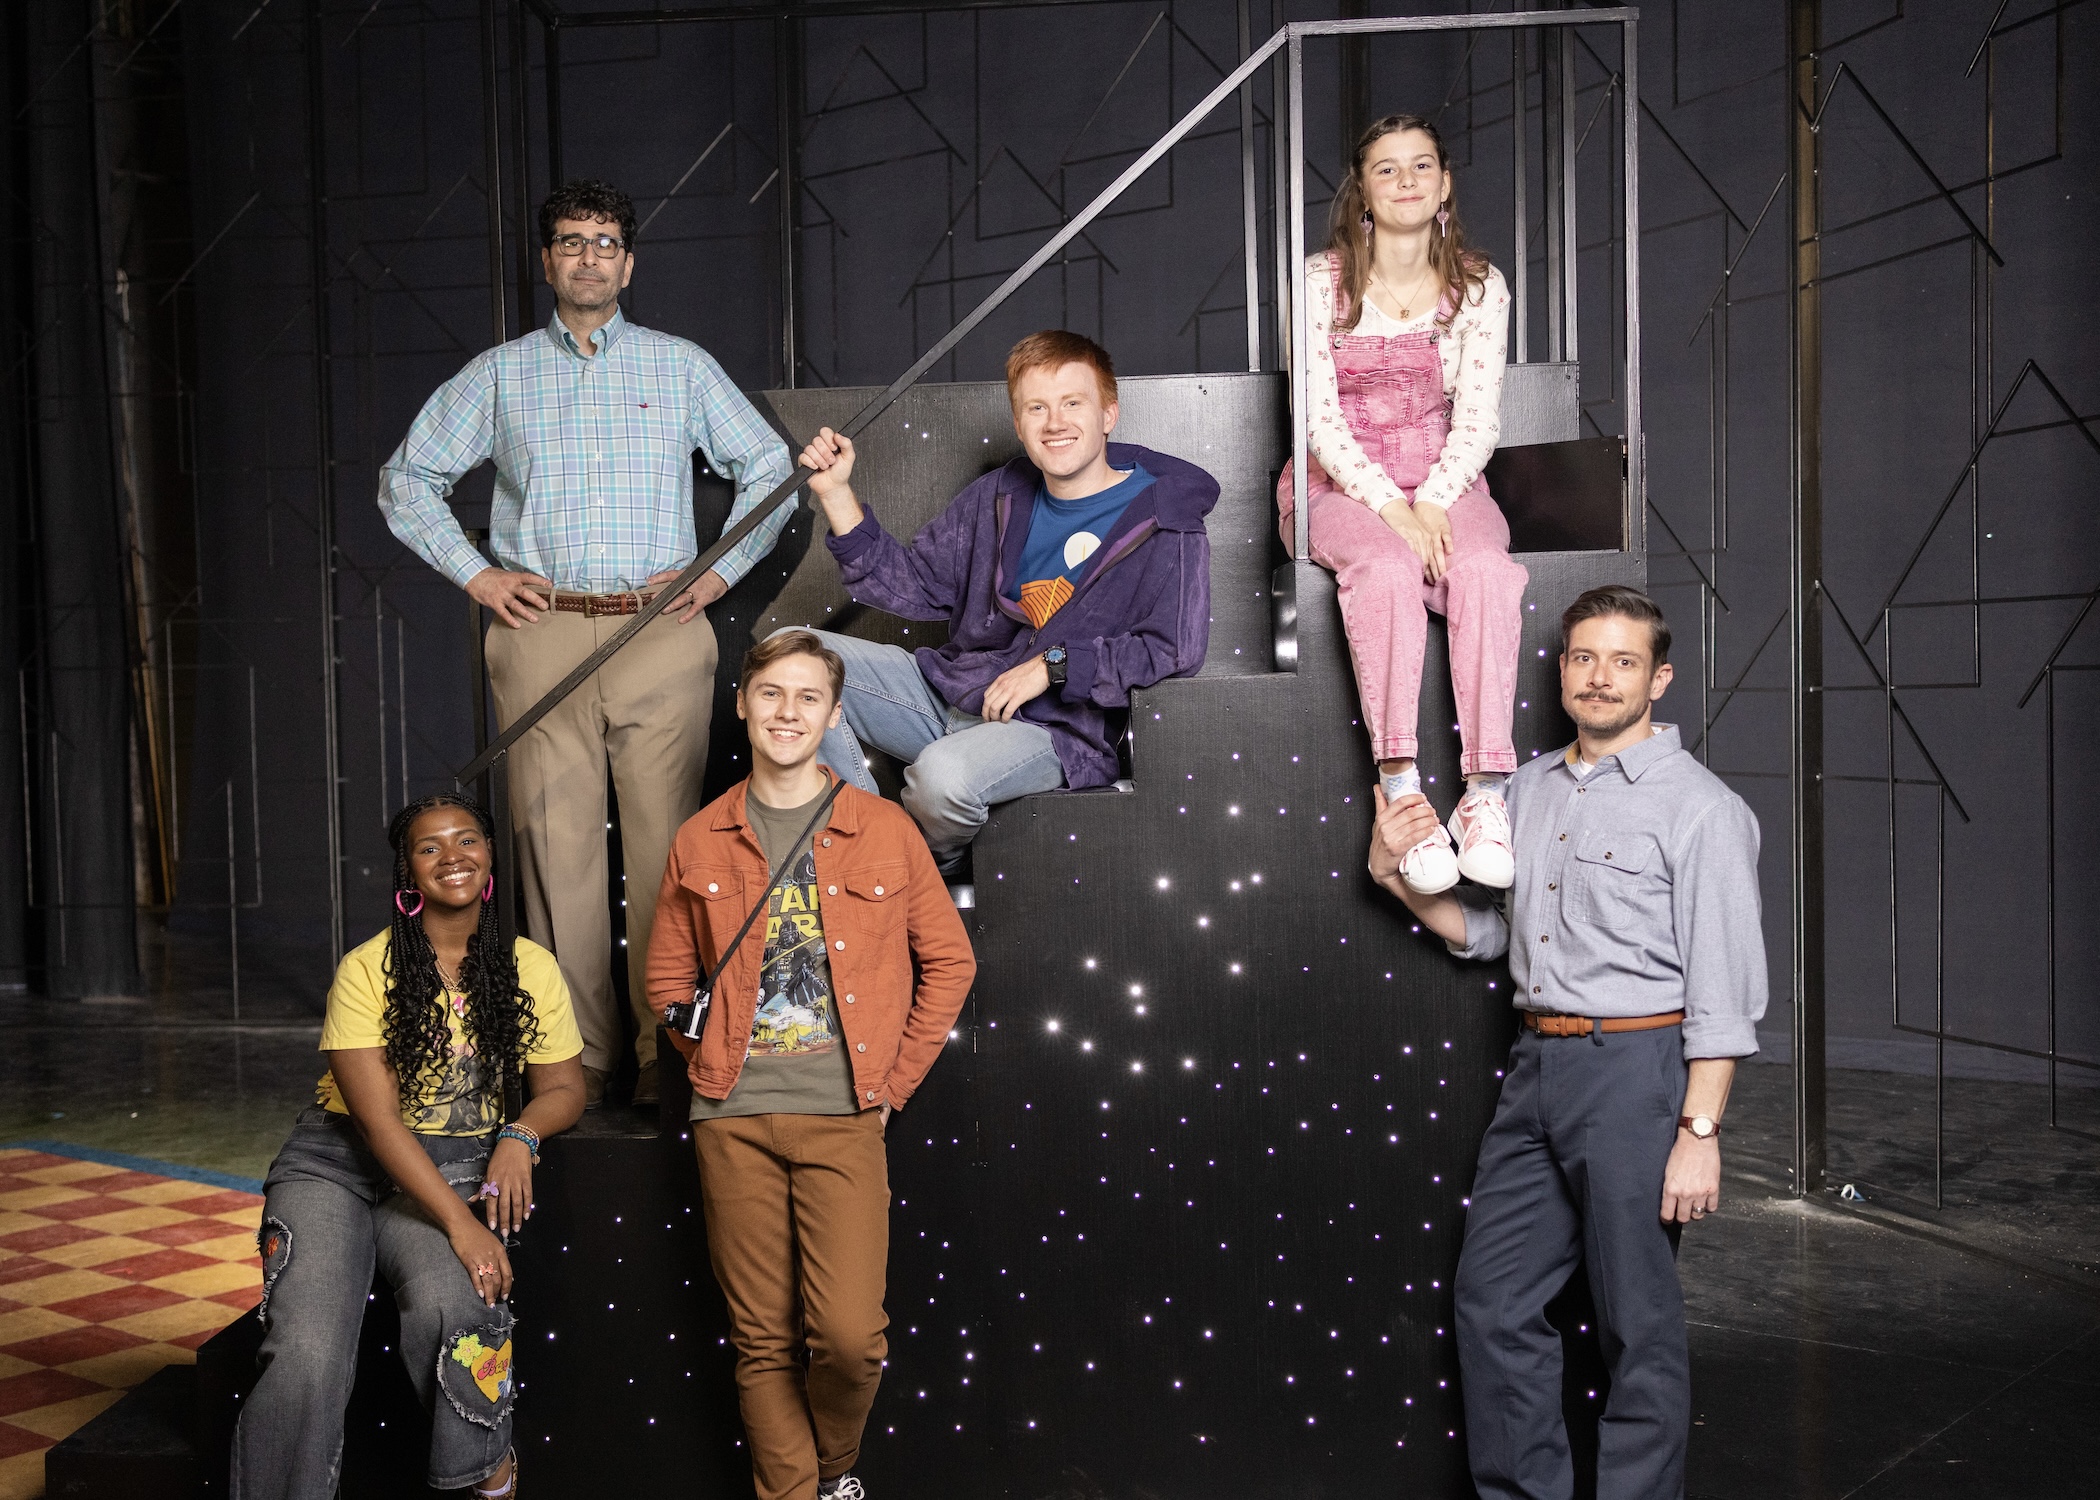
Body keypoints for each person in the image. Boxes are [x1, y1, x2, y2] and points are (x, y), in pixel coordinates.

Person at [378, 179, 794, 1108]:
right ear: (547, 261)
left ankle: (663, 1051)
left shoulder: (680, 367)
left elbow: (772, 467)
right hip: (542, 630)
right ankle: (582, 1060)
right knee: (553, 858)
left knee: (666, 854)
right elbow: (408, 480)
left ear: (629, 264)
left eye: (606, 242)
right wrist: (477, 574)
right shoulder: (501, 374)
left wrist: (719, 571)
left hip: (660, 629)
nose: (589, 257)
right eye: (571, 242)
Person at [1368, 586, 1767, 1499]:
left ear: (1658, 679)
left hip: (1636, 1076)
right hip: (1535, 1069)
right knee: (1494, 1301)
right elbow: (1495, 935)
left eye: (1624, 662)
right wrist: (1394, 880)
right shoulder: (1526, 789)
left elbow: (1724, 994)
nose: (1600, 677)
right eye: (1584, 657)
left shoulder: (1701, 809)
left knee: (1635, 1322)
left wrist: (1699, 1134)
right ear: (1561, 671)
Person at [648, 630, 976, 1500]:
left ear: (833, 715)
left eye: (807, 698)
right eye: (770, 694)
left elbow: (950, 962)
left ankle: (832, 1473)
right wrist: (712, 1057)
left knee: (848, 1339)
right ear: (742, 705)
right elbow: (667, 980)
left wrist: (892, 1086)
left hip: (845, 1114)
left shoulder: (884, 828)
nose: (787, 713)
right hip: (731, 1118)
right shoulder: (700, 837)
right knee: (761, 1340)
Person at [232, 792, 586, 1500]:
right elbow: (378, 1125)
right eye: (430, 846)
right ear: (407, 870)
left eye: (466, 840)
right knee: (306, 1349)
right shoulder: (368, 969)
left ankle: (488, 1478)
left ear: (490, 857)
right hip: (336, 1166)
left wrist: (520, 1134)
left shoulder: (529, 966)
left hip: (452, 1165)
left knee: (462, 1311)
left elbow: (565, 1088)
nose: (451, 856)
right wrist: (463, 1227)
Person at [790, 330, 1218, 870]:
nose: (1055, 423)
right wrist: (835, 493)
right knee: (791, 657)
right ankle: (862, 851)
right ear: (1019, 423)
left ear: (1108, 414)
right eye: (1037, 407)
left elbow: (1174, 649)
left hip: (1053, 729)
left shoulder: (1166, 518)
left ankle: (911, 874)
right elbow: (912, 584)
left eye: (1072, 403)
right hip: (953, 692)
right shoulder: (997, 494)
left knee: (941, 780)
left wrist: (1053, 665)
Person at [1285, 113, 1530, 897]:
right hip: (1339, 482)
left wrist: (1437, 499)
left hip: (1446, 476)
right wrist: (1396, 509)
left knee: (1486, 570)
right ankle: (1401, 789)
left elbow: (1478, 419)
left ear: (1445, 183)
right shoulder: (1319, 281)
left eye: (1421, 165)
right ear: (1362, 190)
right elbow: (1319, 422)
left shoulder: (1481, 285)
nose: (1405, 181)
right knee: (1388, 572)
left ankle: (1485, 794)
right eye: (1386, 169)